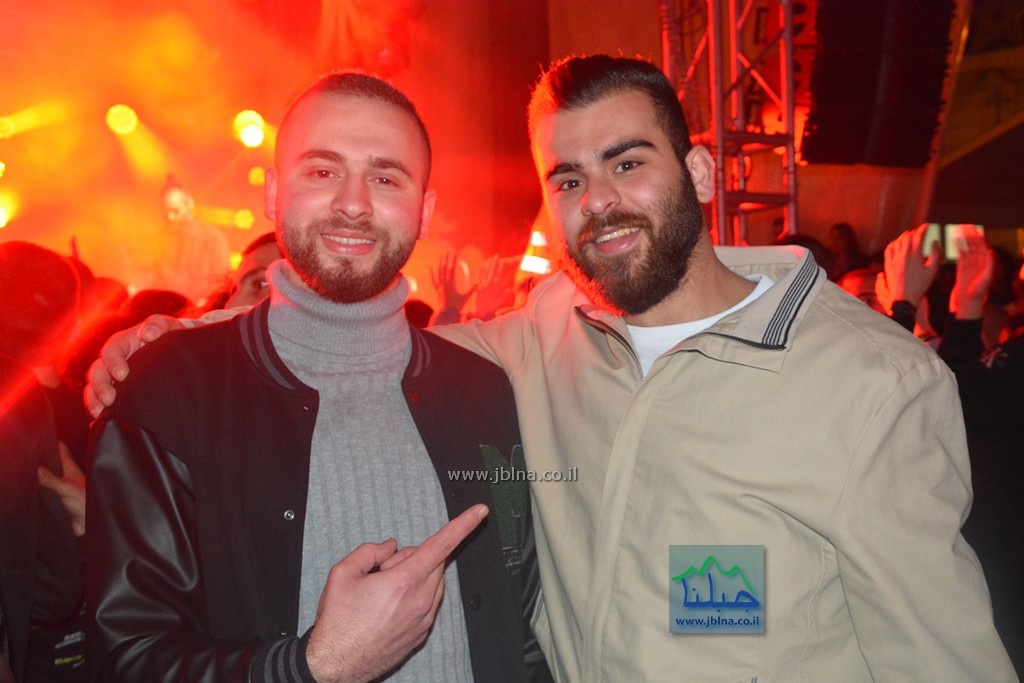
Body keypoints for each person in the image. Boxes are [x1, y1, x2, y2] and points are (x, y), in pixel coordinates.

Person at [87, 56, 1015, 681]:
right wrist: (181, 334)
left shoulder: (870, 383)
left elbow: (944, 659)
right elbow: (355, 334)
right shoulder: (538, 341)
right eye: (567, 179)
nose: (598, 201)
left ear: (699, 172)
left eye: (628, 163)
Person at [84, 73, 549, 683]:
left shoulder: (484, 389)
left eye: (385, 178)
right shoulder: (170, 389)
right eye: (323, 171)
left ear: (425, 211)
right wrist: (310, 667)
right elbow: (127, 655)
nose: (353, 203)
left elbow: (523, 627)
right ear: (274, 193)